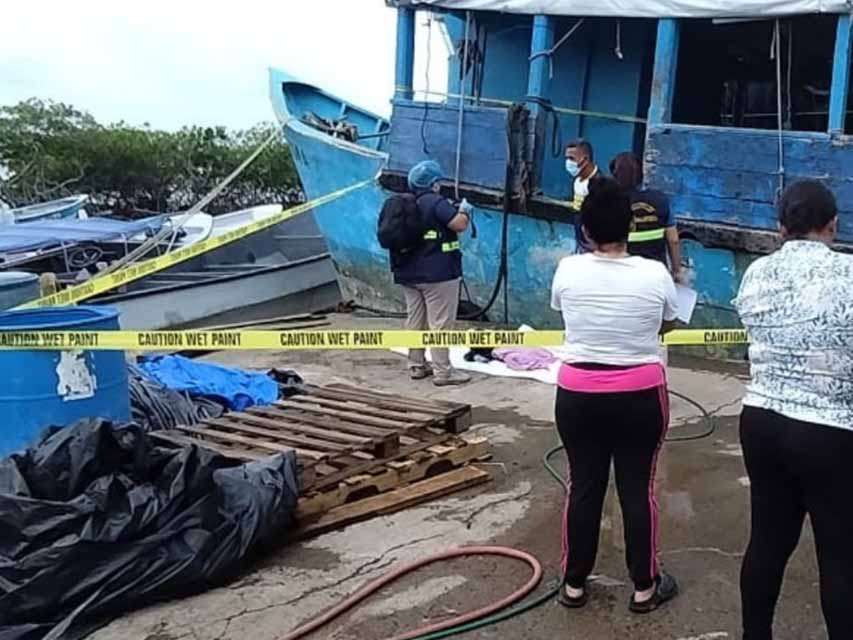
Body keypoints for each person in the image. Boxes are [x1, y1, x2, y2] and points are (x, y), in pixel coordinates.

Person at [551, 177, 679, 613]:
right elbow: (668, 323)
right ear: (630, 227)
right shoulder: (655, 273)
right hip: (639, 395)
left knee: (583, 486)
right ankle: (644, 586)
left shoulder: (568, 269)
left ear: (586, 230)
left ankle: (573, 583)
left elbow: (564, 312)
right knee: (637, 489)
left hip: (578, 394)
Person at [733, 180, 853, 640]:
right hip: (830, 429)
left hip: (761, 421)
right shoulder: (848, 274)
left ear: (781, 227)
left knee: (767, 541)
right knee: (839, 556)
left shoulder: (757, 273)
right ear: (833, 225)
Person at [393, 160, 472, 386]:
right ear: (434, 184)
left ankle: (417, 365)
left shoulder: (404, 204)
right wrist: (464, 211)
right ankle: (443, 372)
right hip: (438, 275)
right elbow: (458, 225)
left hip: (408, 273)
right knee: (440, 323)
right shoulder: (436, 202)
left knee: (415, 319)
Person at [610, 152, 682, 281]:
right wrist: (676, 271)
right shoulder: (661, 200)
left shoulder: (611, 202)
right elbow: (673, 240)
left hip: (621, 272)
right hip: (656, 272)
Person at [565, 139, 600, 254]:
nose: (568, 163)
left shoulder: (598, 184)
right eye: (566, 158)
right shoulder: (577, 181)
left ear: (585, 160)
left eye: (571, 159)